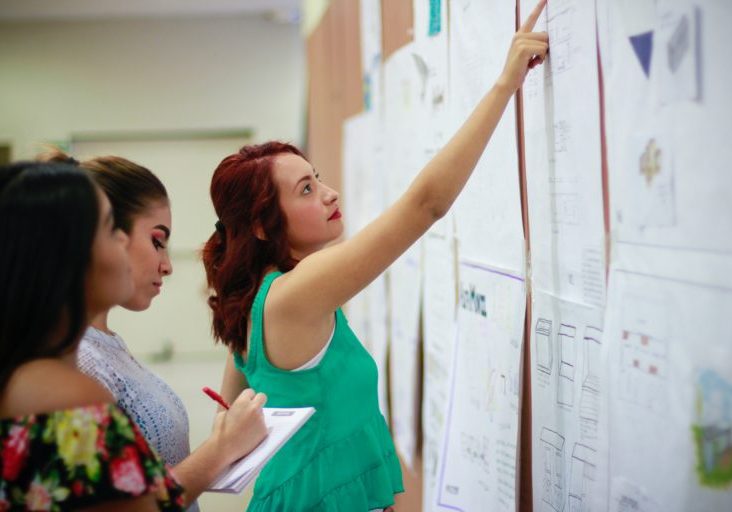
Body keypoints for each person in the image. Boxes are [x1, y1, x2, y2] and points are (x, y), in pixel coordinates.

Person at [203, 2, 549, 510]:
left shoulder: (260, 297)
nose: (327, 193)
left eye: (316, 176)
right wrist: (504, 85)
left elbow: (234, 409)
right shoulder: (293, 293)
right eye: (304, 189)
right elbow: (426, 204)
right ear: (260, 224)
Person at [37, 151, 268, 511]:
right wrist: (221, 448)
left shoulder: (105, 346)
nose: (167, 265)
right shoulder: (74, 360)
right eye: (157, 242)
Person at [0, 160, 184, 510]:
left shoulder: (35, 377)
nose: (122, 241)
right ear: (68, 256)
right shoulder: (68, 397)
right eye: (110, 228)